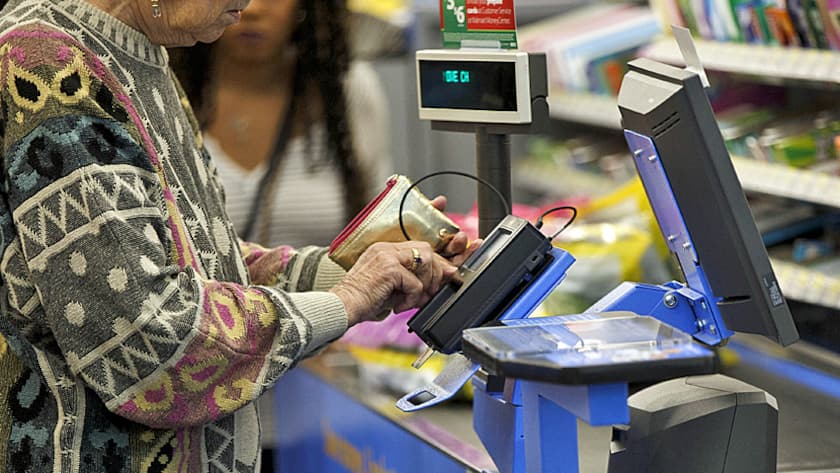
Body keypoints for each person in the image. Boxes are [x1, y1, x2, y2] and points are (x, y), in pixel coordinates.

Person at [0, 1, 472, 472]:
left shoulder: (140, 54)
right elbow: (148, 345)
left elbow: (200, 258)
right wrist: (347, 300)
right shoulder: (49, 66)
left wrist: (350, 272)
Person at [170, 0, 391, 248]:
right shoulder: (161, 91)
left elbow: (379, 230)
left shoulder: (347, 91)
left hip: (331, 286)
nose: (252, 9)